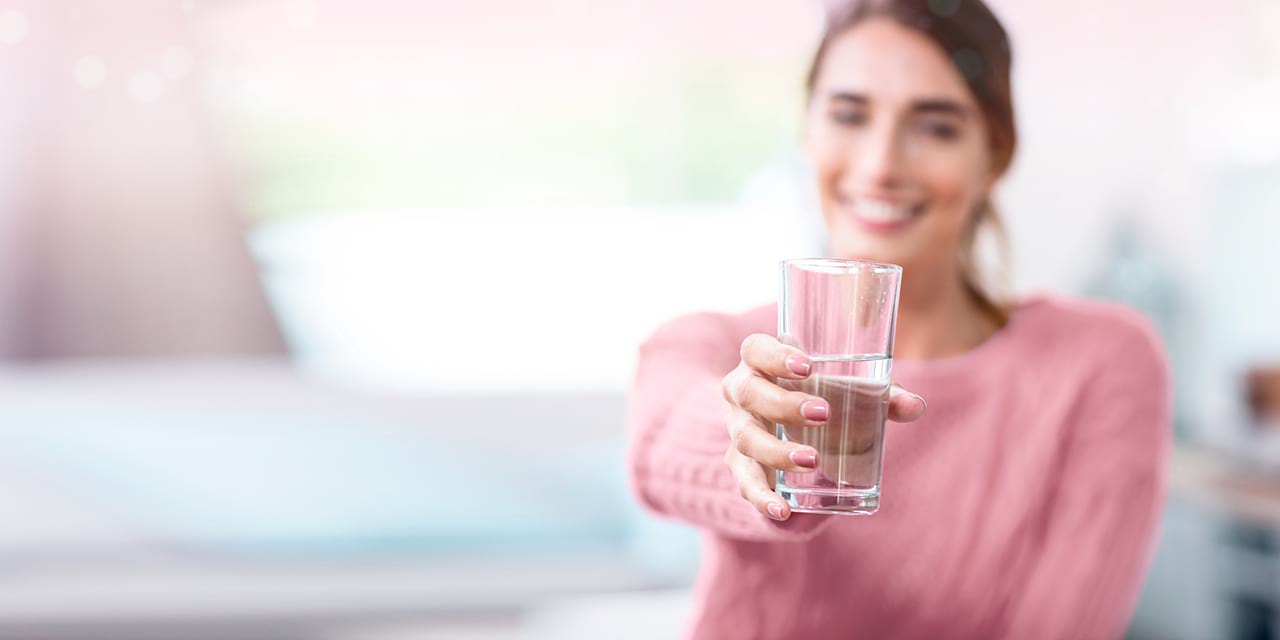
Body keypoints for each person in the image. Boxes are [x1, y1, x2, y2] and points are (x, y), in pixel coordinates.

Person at [624, 1, 1172, 638]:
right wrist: (752, 437)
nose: (881, 164)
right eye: (849, 115)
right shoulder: (720, 348)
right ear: (807, 133)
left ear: (994, 154)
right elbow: (662, 437)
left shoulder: (1099, 361)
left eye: (935, 127)